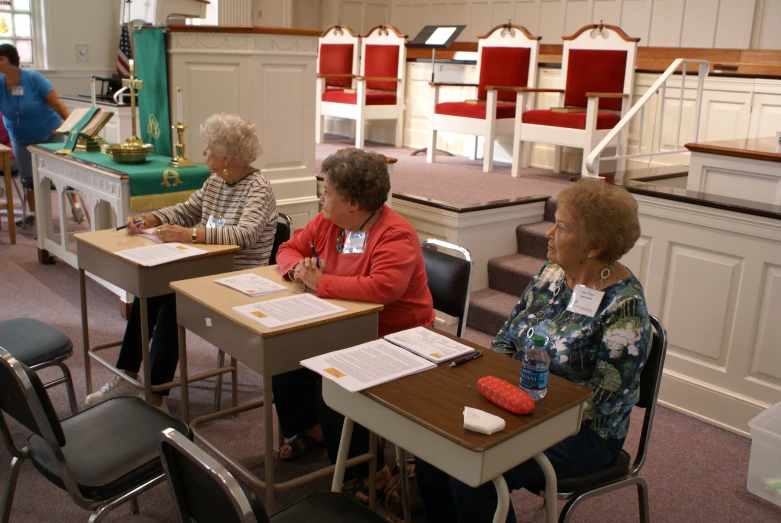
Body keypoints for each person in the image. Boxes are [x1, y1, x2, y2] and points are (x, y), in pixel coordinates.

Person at [414, 179, 652, 523]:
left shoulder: (625, 308)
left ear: (595, 245)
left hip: (584, 432)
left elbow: (604, 400)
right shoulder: (552, 274)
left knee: (477, 473)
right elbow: (507, 339)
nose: (549, 233)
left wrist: (524, 414)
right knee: (435, 445)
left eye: (562, 227)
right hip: (519, 405)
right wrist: (499, 390)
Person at [85, 113, 278, 412]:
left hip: (236, 279)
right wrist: (153, 217)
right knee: (147, 294)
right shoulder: (217, 181)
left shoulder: (258, 188)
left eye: (209, 148)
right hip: (202, 270)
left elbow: (245, 235)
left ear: (228, 156)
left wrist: (190, 234)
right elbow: (188, 209)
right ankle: (126, 375)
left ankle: (156, 396)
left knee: (171, 308)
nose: (204, 153)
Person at [274, 147, 435, 500]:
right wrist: (296, 270)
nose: (321, 197)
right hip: (341, 326)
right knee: (283, 358)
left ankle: (365, 471)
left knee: (330, 383)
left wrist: (321, 283)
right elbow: (288, 248)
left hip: (395, 337)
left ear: (352, 202)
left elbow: (383, 289)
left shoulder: (395, 234)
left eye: (327, 191)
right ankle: (310, 429)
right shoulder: (328, 223)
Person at [0, 44, 83, 225]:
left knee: (63, 174)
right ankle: (38, 217)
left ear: (12, 61)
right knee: (28, 179)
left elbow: (58, 105)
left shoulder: (33, 78)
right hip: (20, 139)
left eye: (0, 59)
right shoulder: (0, 83)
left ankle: (75, 206)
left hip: (50, 134)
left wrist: (75, 130)